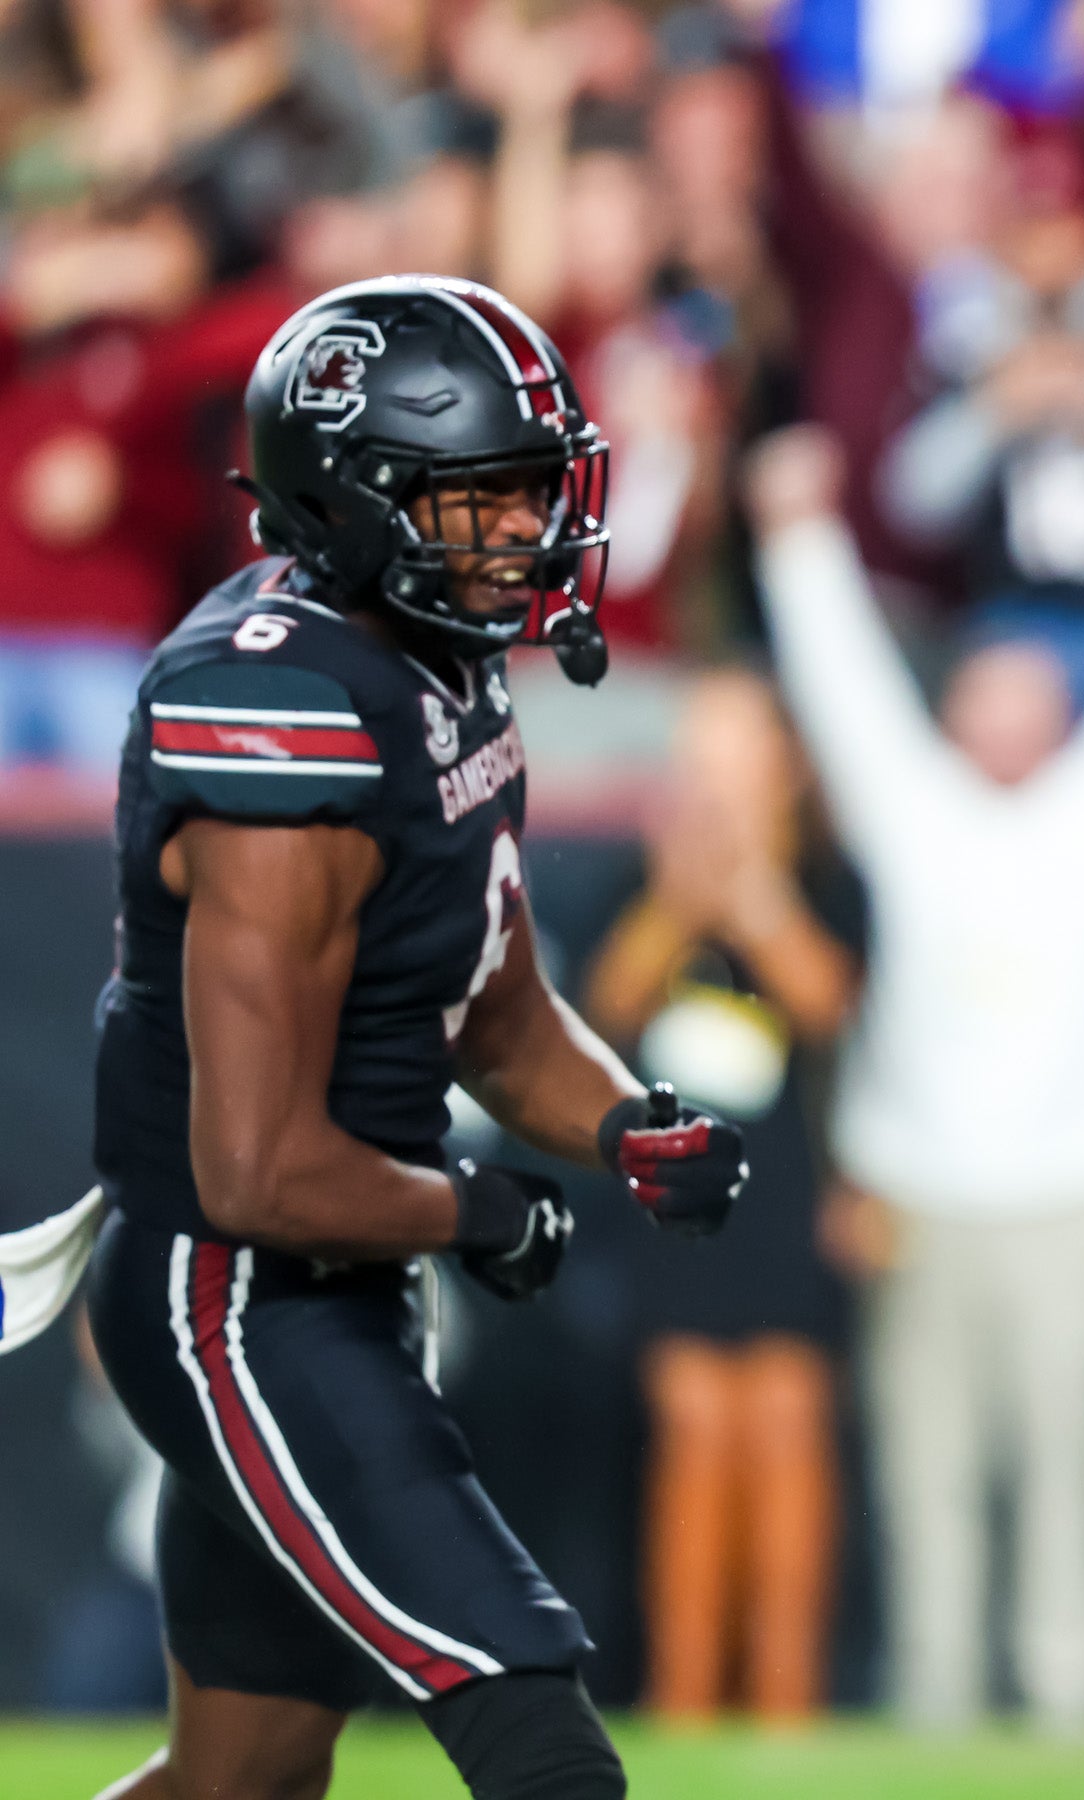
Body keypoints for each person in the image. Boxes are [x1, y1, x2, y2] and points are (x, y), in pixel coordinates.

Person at [79, 277, 750, 1800]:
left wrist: (625, 1123)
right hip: (236, 1295)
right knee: (540, 1744)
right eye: (483, 498)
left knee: (235, 1781)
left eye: (534, 489)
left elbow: (495, 1009)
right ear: (354, 498)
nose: (529, 529)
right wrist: (473, 1206)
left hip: (329, 1279)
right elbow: (250, 1170)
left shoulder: (426, 662)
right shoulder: (279, 706)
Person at [746, 420, 1084, 1737]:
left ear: (1060, 720)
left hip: (1073, 1199)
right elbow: (844, 683)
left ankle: (1071, 1709)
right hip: (920, 1196)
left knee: (1069, 1472)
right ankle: (935, 1706)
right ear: (956, 711)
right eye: (985, 697)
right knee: (925, 1478)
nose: (1006, 722)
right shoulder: (908, 803)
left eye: (1030, 701)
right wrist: (795, 537)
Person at [579, 669, 866, 1724]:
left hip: (790, 1191)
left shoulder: (830, 881)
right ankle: (685, 1696)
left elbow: (828, 1001)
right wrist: (678, 898)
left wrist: (754, 895)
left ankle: (787, 1697)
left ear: (785, 768)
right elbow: (606, 1004)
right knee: (692, 1423)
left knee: (786, 1422)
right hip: (680, 1190)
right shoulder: (644, 885)